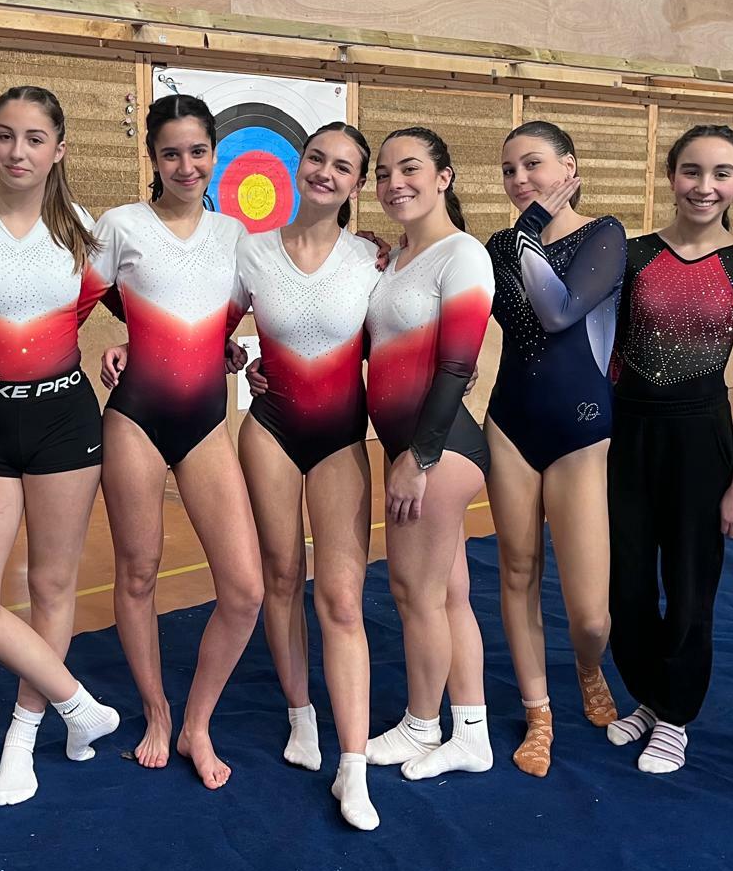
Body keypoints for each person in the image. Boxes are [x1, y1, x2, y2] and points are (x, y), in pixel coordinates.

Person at [0, 86, 117, 806]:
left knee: (52, 586)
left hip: (63, 419)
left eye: (35, 138)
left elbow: (117, 304)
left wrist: (137, 346)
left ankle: (25, 733)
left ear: (58, 149)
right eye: (5, 135)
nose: (18, 151)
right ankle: (78, 703)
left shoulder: (79, 228)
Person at [92, 94, 265, 789]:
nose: (186, 166)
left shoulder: (236, 237)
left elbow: (234, 316)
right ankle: (157, 711)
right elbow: (77, 304)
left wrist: (223, 346)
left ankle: (197, 721)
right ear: (153, 158)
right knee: (138, 573)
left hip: (205, 421)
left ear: (214, 153)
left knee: (245, 589)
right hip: (135, 416)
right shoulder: (121, 226)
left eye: (197, 152)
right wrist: (126, 339)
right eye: (171, 153)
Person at [604, 125, 733, 777]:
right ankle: (649, 694)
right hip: (629, 432)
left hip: (702, 438)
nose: (705, 186)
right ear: (671, 175)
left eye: (722, 173)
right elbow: (608, 353)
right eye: (692, 171)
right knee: (625, 585)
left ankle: (676, 714)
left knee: (689, 583)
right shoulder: (633, 255)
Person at [229, 122, 382, 828]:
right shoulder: (252, 251)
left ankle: (354, 764)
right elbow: (211, 326)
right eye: (317, 158)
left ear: (358, 184)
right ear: (298, 164)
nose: (325, 172)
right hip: (271, 430)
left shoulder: (372, 258)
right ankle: (300, 714)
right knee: (282, 576)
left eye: (342, 166)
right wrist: (235, 354)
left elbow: (404, 333)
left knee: (343, 599)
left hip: (341, 436)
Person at [484, 120, 626, 777]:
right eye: (509, 170)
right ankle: (538, 711)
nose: (519, 180)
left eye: (532, 164)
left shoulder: (605, 234)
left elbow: (559, 312)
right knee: (517, 572)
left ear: (568, 166)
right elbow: (490, 310)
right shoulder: (500, 244)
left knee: (590, 613)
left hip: (579, 427)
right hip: (511, 423)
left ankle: (588, 665)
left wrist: (530, 229)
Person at [360, 127, 497, 781]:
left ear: (444, 177)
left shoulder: (462, 254)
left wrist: (418, 457)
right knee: (447, 594)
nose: (395, 183)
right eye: (384, 173)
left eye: (410, 169)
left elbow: (457, 365)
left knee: (415, 592)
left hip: (436, 449)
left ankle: (421, 725)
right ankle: (471, 732)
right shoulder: (398, 260)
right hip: (417, 443)